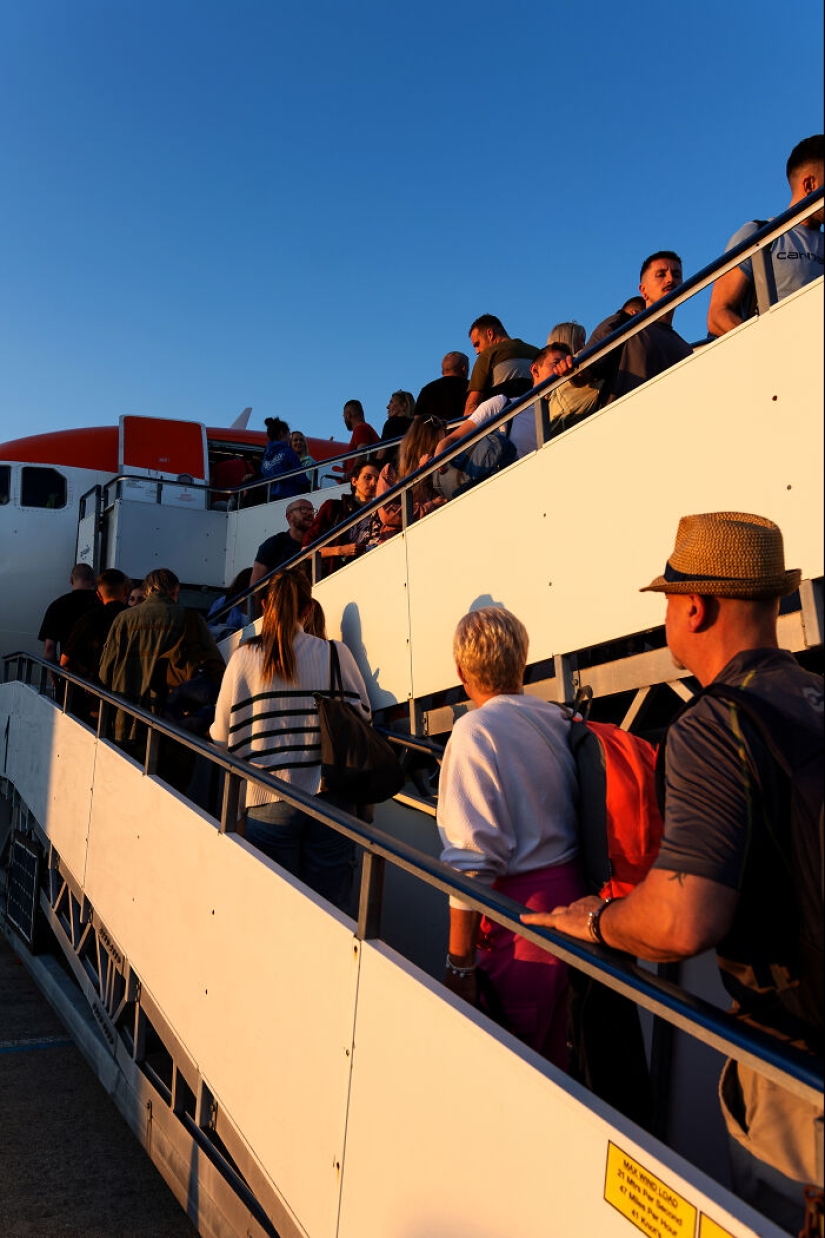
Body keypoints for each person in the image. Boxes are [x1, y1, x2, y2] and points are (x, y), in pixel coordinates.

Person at [522, 512, 823, 1234]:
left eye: (665, 600)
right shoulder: (812, 698)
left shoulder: (716, 722)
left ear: (695, 606)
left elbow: (682, 919)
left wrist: (592, 920)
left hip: (801, 1073)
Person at [438, 607, 585, 1068]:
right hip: (575, 910)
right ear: (522, 662)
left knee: (513, 1065)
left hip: (520, 926)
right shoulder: (558, 718)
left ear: (462, 672)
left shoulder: (474, 730)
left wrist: (459, 964)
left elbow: (471, 858)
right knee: (556, 1058)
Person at [210, 569, 371, 911]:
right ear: (309, 609)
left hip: (267, 800)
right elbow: (363, 717)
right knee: (332, 913)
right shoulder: (335, 653)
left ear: (265, 605)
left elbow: (220, 735)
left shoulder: (243, 658)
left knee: (273, 910)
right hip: (332, 798)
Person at [708, 134, 824, 337]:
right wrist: (768, 345)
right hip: (781, 360)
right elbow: (718, 314)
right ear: (809, 185)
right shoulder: (759, 235)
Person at [99, 567, 224, 746]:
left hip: (125, 719)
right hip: (173, 724)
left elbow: (105, 672)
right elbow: (216, 668)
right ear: (175, 591)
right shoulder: (191, 619)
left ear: (147, 591)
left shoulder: (123, 619)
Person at [558, 255, 692, 407]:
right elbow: (585, 374)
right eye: (661, 274)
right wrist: (571, 371)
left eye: (677, 275)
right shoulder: (623, 324)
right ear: (643, 290)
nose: (670, 280)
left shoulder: (686, 349)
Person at [430, 342, 572, 463]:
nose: (563, 367)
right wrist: (440, 465)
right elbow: (452, 440)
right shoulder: (502, 405)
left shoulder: (569, 410)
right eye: (556, 362)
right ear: (535, 370)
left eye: (567, 362)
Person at [302, 461, 380, 577]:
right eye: (367, 477)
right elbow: (305, 550)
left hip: (367, 576)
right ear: (354, 481)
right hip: (333, 576)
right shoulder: (333, 507)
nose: (373, 483)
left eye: (377, 479)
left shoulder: (381, 514)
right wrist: (340, 550)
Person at [375, 415, 446, 540]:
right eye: (438, 443)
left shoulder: (441, 468)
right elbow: (388, 513)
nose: (441, 448)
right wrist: (430, 506)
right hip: (399, 543)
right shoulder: (391, 471)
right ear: (425, 444)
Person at [60, 569, 130, 683]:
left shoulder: (89, 618)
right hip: (129, 689)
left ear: (98, 594)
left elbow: (65, 661)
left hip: (97, 688)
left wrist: (87, 674)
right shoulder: (135, 618)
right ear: (126, 591)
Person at [464, 315, 539, 416]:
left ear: (490, 334)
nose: (477, 351)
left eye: (477, 344)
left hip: (505, 425)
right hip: (538, 420)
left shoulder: (487, 355)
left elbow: (472, 404)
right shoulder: (537, 353)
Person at [37, 563, 101, 664]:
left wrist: (54, 678)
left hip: (69, 672)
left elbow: (49, 648)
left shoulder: (57, 606)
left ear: (71, 580)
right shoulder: (102, 604)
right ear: (93, 582)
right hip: (99, 672)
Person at [250, 499, 316, 592]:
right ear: (289, 517)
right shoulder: (274, 544)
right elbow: (256, 585)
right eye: (303, 509)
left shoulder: (318, 541)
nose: (310, 513)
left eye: (312, 510)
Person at [260, 418, 311, 500]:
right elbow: (301, 478)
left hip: (271, 501)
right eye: (288, 434)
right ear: (282, 433)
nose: (289, 437)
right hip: (290, 499)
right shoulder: (288, 453)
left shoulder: (265, 460)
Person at [414, 352, 469, 424]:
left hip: (434, 433)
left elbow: (417, 419)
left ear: (442, 371)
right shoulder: (471, 387)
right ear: (464, 369)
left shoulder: (427, 389)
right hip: (467, 433)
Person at [206, 567, 254, 638]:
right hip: (227, 646)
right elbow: (208, 627)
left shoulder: (262, 604)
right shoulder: (225, 601)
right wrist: (226, 632)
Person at [342, 400, 380, 475]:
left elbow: (362, 454)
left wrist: (351, 473)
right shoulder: (366, 428)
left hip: (359, 479)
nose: (344, 420)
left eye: (344, 416)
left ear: (348, 415)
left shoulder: (360, 429)